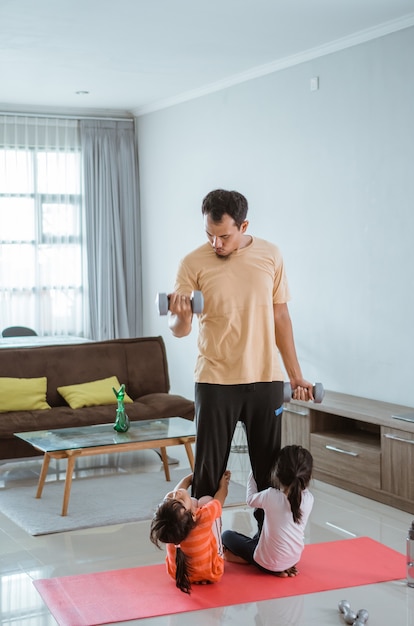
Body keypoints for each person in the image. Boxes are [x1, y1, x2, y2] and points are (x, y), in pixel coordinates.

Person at [167, 188, 313, 503]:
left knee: (269, 475)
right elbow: (180, 329)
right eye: (209, 235)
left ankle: (266, 548)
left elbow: (281, 316)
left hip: (265, 378)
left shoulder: (270, 255)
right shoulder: (192, 262)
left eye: (224, 236)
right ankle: (201, 549)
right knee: (208, 474)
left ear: (243, 227)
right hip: (215, 379)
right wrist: (179, 315)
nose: (216, 243)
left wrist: (295, 375)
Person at [222, 445, 314, 576]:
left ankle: (248, 561)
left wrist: (253, 473)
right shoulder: (309, 499)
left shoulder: (271, 495)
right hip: (293, 559)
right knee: (260, 537)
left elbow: (250, 500)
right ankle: (281, 566)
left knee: (226, 535)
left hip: (266, 562)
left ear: (277, 473)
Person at [149, 470, 231, 594]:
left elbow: (179, 493)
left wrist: (195, 476)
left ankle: (196, 573)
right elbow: (221, 497)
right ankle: (217, 554)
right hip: (213, 572)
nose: (174, 493)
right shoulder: (204, 517)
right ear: (193, 515)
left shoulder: (170, 524)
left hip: (178, 574)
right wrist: (223, 483)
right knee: (207, 500)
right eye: (177, 499)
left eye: (170, 497)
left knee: (191, 501)